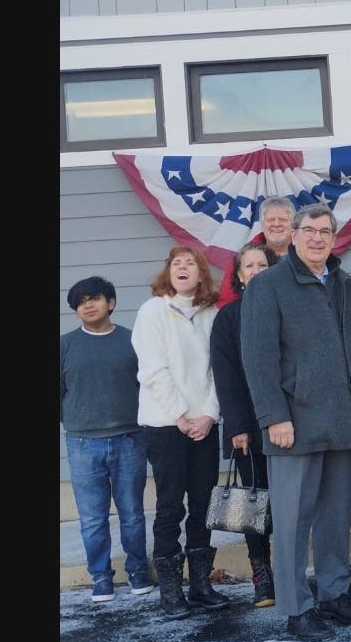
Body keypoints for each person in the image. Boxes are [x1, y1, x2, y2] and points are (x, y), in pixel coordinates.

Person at [241, 202, 351, 642]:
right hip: (292, 424)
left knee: (335, 516)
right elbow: (258, 359)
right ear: (294, 235)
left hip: (339, 420)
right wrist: (273, 416)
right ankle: (297, 608)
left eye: (326, 232)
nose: (317, 238)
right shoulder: (269, 286)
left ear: (334, 239)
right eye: (309, 230)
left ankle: (335, 594)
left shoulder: (345, 286)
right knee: (294, 520)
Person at [133, 245, 229, 617]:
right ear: (168, 272)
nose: (183, 268)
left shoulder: (212, 314)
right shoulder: (152, 311)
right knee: (171, 506)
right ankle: (171, 592)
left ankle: (201, 584)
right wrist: (180, 415)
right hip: (165, 425)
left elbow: (217, 372)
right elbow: (153, 370)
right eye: (177, 263)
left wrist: (208, 414)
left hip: (203, 426)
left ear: (202, 273)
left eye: (190, 263)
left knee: (203, 505)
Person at [61, 276, 152, 602]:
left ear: (110, 303)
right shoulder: (65, 345)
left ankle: (139, 571)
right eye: (80, 301)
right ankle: (101, 577)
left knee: (132, 513)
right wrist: (78, 420)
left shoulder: (132, 341)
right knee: (92, 518)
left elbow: (148, 387)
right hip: (83, 444)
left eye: (94, 298)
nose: (87, 305)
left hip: (129, 438)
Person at [209, 240, 281, 608]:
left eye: (262, 264)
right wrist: (237, 426)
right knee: (255, 502)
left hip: (285, 424)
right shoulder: (228, 318)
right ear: (238, 276)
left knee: (286, 501)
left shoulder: (285, 308)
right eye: (248, 266)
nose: (255, 271)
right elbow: (226, 376)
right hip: (247, 428)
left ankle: (288, 570)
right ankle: (262, 576)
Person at [217, 194, 296, 307]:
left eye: (283, 219)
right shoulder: (244, 257)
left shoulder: (306, 255)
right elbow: (226, 301)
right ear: (262, 226)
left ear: (293, 225)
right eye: (270, 220)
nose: (277, 224)